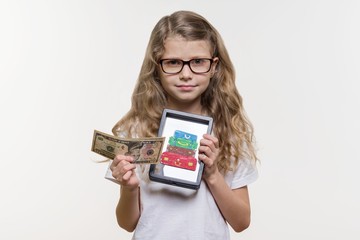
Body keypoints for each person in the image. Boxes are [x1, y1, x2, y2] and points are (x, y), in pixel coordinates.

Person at [109, 10, 258, 240]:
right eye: (173, 62)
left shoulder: (230, 131)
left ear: (214, 66)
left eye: (198, 62)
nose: (186, 74)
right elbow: (127, 223)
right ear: (157, 66)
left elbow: (241, 222)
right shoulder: (136, 130)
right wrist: (129, 188)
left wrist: (213, 174)